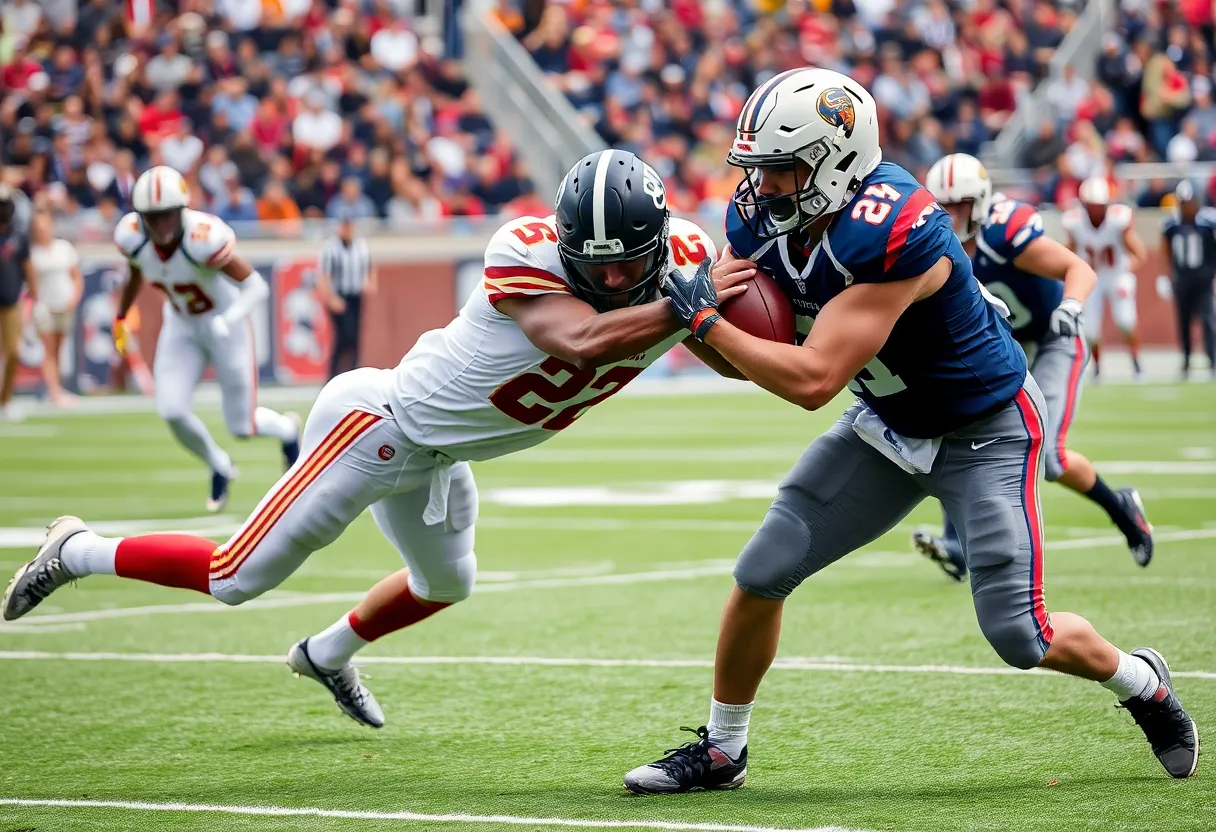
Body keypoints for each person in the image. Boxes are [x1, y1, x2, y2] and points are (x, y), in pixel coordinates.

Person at [3, 150, 747, 730]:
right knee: (235, 577)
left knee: (447, 584)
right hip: (375, 426)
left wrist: (743, 327)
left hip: (439, 454)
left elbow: (721, 350)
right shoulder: (527, 252)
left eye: (628, 263)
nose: (613, 279)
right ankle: (77, 549)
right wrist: (690, 307)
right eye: (595, 263)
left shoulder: (687, 264)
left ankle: (324, 654)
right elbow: (582, 341)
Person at [622, 68, 1198, 793]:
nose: (761, 187)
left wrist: (701, 320)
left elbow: (812, 380)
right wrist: (693, 325)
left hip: (986, 429)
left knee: (1019, 633)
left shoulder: (892, 225)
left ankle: (1141, 681)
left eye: (781, 168)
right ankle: (722, 750)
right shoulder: (763, 224)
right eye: (757, 168)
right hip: (889, 423)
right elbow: (748, 363)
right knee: (762, 571)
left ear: (836, 162)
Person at [910, 154, 1154, 580]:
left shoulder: (1003, 233)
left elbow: (1077, 268)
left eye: (961, 205)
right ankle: (956, 545)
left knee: (1052, 460)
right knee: (961, 428)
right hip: (1004, 345)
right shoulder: (932, 244)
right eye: (944, 206)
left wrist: (1071, 305)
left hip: (1053, 336)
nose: (952, 216)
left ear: (980, 202)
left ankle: (1122, 509)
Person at [108, 166, 301, 512]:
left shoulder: (203, 239)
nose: (161, 225)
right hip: (181, 325)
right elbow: (136, 271)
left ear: (182, 210)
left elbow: (256, 286)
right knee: (171, 410)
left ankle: (287, 429)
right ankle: (219, 464)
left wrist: (229, 318)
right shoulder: (133, 238)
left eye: (167, 215)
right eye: (153, 216)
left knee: (242, 426)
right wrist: (121, 316)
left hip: (224, 325)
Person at [1062, 178, 1147, 381]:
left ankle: (1136, 363)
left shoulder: (1118, 220)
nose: (1097, 210)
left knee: (1126, 321)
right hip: (1091, 276)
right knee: (1090, 329)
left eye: (1100, 205)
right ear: (1085, 204)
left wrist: (1125, 271)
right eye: (1093, 205)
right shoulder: (1075, 222)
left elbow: (1139, 253)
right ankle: (1098, 368)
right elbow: (1069, 250)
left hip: (1116, 274)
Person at [1159, 180, 1216, 379]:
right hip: (1182, 278)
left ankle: (1213, 360)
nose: (1186, 207)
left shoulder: (1208, 221)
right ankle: (1186, 361)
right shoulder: (1172, 223)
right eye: (1183, 203)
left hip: (1203, 278)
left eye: (1189, 202)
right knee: (1183, 321)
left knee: (1208, 319)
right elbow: (1165, 250)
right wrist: (1164, 276)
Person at [28, 209, 83, 408]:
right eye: (38, 226)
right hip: (45, 307)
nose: (42, 229)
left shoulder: (64, 248)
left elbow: (76, 277)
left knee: (59, 349)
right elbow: (32, 283)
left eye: (45, 225)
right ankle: (54, 391)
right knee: (49, 349)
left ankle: (57, 388)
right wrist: (37, 304)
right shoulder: (32, 252)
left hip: (65, 305)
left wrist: (74, 299)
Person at [317, 218, 374, 379]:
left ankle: (354, 375)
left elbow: (370, 266)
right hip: (339, 295)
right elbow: (324, 275)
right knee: (343, 338)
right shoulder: (331, 248)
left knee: (355, 339)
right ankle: (333, 376)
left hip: (355, 296)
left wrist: (370, 283)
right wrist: (330, 297)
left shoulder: (360, 245)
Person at [0, 185, 38, 422]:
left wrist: (35, 292)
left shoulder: (19, 234)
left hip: (11, 300)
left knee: (14, 351)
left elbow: (27, 264)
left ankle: (5, 400)